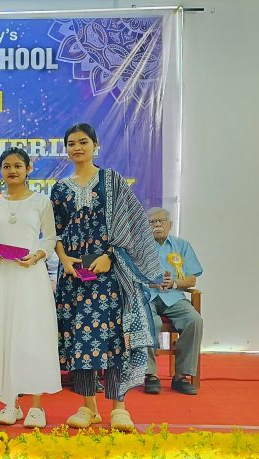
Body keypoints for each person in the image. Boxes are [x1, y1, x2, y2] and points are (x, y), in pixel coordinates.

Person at [52, 123, 169, 432]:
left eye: (83, 142)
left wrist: (110, 256)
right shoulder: (60, 188)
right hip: (75, 277)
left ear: (95, 145)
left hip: (110, 275)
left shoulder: (112, 181)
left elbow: (131, 225)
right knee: (80, 339)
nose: (77, 147)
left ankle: (119, 408)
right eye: (71, 143)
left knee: (115, 339)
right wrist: (63, 259)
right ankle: (88, 406)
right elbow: (56, 233)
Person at [0, 147, 62, 428]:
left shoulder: (41, 202)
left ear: (28, 169)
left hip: (31, 277)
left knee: (32, 337)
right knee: (4, 336)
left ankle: (36, 407)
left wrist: (37, 255)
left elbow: (51, 238)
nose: (12, 171)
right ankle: (10, 403)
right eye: (7, 166)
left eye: (18, 166)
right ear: (1, 171)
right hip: (3, 277)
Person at [143, 207, 203, 395]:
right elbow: (130, 276)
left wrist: (175, 283)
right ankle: (150, 375)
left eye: (161, 221)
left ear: (169, 224)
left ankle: (181, 376)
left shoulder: (182, 245)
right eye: (152, 222)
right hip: (147, 296)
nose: (157, 225)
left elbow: (192, 280)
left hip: (174, 296)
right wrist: (150, 282)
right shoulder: (138, 247)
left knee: (194, 320)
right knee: (149, 321)